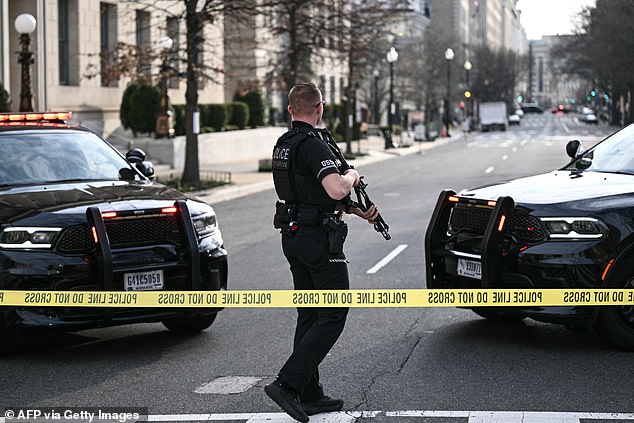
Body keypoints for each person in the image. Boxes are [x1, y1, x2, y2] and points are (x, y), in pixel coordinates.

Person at [265, 82, 378, 422]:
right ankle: (287, 384)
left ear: (289, 110)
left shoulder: (283, 145)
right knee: (333, 312)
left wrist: (357, 211)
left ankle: (309, 393)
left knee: (310, 313)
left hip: (294, 234)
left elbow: (307, 192)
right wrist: (352, 175)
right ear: (320, 108)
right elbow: (333, 186)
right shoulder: (314, 145)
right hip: (318, 240)